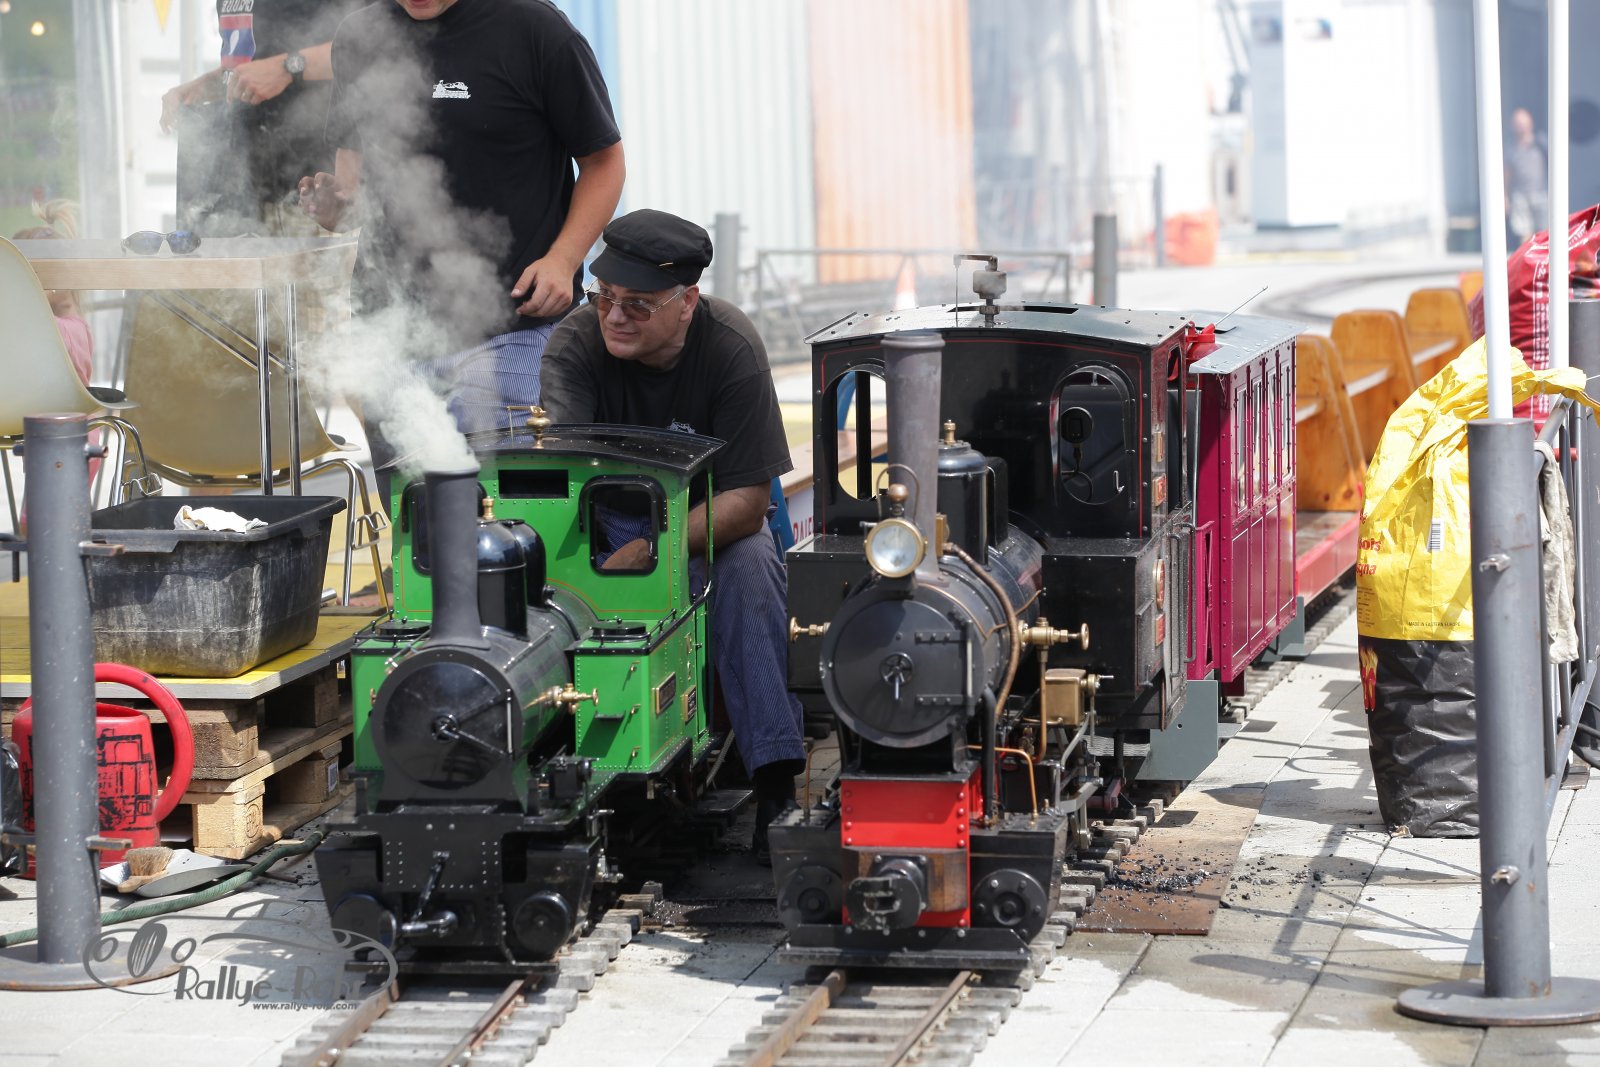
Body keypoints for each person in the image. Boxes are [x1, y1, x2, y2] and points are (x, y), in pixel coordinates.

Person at [541, 210, 806, 864]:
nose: (615, 315)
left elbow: (747, 504)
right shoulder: (574, 345)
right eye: (605, 296)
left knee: (750, 572)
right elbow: (561, 486)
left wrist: (654, 546)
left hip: (711, 524)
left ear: (687, 302)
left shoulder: (731, 347)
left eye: (638, 304)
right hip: (603, 528)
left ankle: (776, 785)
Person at [299, 0, 625, 445]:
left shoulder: (536, 28)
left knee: (505, 492)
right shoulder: (359, 35)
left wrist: (563, 259)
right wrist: (337, 208)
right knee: (408, 489)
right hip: (389, 330)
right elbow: (353, 181)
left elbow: (604, 162)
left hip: (513, 329)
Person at [161, 0, 365, 235]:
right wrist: (199, 88)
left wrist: (288, 67)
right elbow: (247, 68)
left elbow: (365, 49)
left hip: (310, 199)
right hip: (241, 194)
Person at [1506, 107, 1548, 248]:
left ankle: (1543, 258)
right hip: (1520, 196)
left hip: (1541, 193)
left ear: (1531, 124)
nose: (1521, 127)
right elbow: (1507, 173)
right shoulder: (1511, 149)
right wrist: (1505, 196)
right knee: (1524, 233)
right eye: (1518, 124)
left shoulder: (1541, 143)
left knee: (1544, 232)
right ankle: (1526, 259)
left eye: (1523, 123)